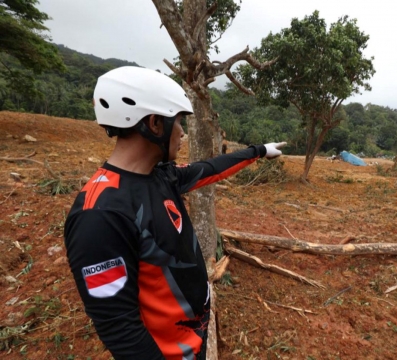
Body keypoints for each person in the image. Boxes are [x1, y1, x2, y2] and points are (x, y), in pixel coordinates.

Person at [64, 66, 286, 359]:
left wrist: (259, 151)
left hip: (193, 340)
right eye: (179, 121)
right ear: (155, 124)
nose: (182, 132)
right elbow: (119, 328)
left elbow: (209, 169)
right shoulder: (100, 214)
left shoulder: (160, 176)